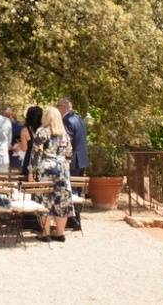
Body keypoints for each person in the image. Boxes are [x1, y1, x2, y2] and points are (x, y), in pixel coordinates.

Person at [29, 106, 73, 242]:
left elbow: (36, 152)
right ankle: (60, 233)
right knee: (62, 200)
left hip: (47, 168)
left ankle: (45, 232)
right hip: (63, 169)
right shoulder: (64, 134)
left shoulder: (42, 131)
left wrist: (32, 171)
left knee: (45, 200)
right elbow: (69, 154)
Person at [58, 97, 89, 230]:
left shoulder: (67, 121)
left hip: (73, 161)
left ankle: (74, 220)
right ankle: (76, 219)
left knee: (71, 190)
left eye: (58, 106)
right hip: (82, 159)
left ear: (63, 107)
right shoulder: (79, 119)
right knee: (78, 189)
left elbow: (67, 141)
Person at [19, 105, 43, 177]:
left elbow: (24, 148)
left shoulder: (25, 130)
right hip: (41, 159)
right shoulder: (44, 130)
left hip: (29, 160)